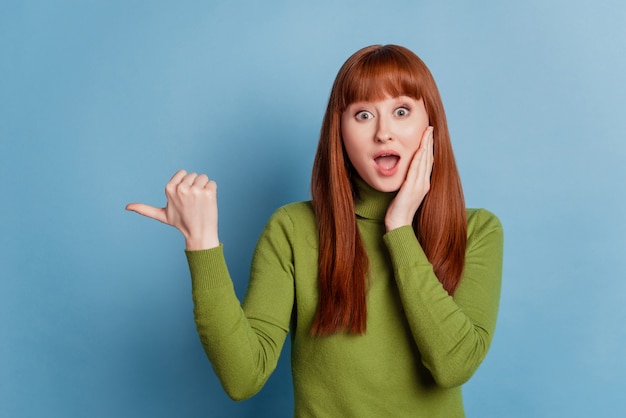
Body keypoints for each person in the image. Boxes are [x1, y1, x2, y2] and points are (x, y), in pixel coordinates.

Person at [126, 44, 504, 417]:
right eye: (363, 115)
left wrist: (400, 227)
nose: (383, 133)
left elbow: (454, 366)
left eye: (401, 110)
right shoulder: (293, 229)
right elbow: (243, 378)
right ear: (339, 131)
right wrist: (202, 242)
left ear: (430, 124)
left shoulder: (477, 230)